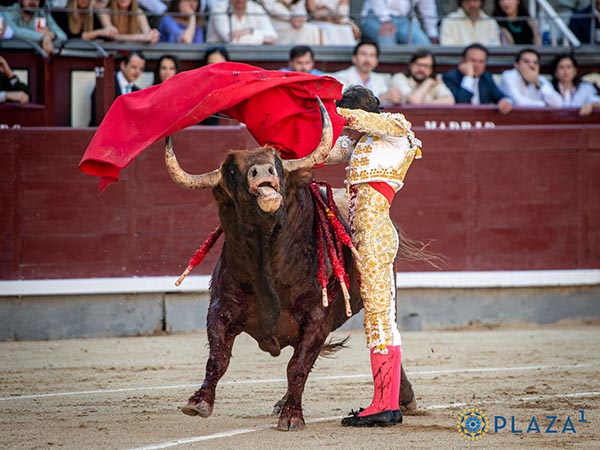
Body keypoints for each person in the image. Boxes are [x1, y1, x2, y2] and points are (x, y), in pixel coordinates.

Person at [325, 85, 422, 427]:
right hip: (363, 236)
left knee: (381, 320)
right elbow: (322, 151)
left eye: (351, 117)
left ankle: (385, 406)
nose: (349, 130)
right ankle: (386, 403)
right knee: (379, 320)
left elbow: (357, 121)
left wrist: (329, 110)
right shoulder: (358, 142)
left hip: (376, 237)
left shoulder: (395, 129)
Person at [442, 43, 512, 114]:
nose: (477, 65)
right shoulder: (450, 77)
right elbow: (461, 104)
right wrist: (469, 77)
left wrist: (505, 102)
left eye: (481, 62)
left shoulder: (486, 77)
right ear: (463, 60)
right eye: (473, 60)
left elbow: (500, 97)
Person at [328, 40, 401, 106]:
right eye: (363, 54)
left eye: (372, 55)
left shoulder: (380, 80)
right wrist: (381, 98)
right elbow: (348, 104)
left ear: (376, 61)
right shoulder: (340, 78)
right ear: (354, 58)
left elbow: (389, 101)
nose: (368, 59)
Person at [89, 50, 145, 126]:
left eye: (141, 69)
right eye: (134, 67)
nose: (137, 71)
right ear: (123, 65)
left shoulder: (138, 91)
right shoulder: (106, 84)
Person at [390, 50, 455, 105]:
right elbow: (414, 102)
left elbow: (450, 101)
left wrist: (423, 103)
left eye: (426, 66)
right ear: (411, 65)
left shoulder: (435, 81)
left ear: (432, 70)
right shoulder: (400, 78)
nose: (422, 69)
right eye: (419, 64)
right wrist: (427, 83)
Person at [359, 0, 439, 45]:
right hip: (375, 16)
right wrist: (385, 20)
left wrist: (433, 33)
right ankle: (388, 73)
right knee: (387, 41)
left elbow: (428, 9)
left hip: (403, 18)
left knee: (423, 44)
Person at [2, 0, 67, 53]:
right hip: (14, 54)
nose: (33, 1)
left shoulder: (42, 13)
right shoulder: (9, 11)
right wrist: (42, 37)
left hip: (36, 58)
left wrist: (53, 35)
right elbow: (13, 31)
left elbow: (63, 37)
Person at [206, 0, 278, 44]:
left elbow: (273, 37)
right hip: (221, 56)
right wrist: (260, 38)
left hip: (250, 55)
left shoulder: (256, 8)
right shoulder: (219, 9)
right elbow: (229, 39)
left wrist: (251, 31)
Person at [96, 0, 160, 44]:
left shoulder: (138, 12)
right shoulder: (104, 12)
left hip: (133, 52)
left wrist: (153, 35)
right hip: (110, 52)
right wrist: (141, 37)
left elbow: (147, 34)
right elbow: (113, 36)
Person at [53, 0, 117, 40]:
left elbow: (104, 36)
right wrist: (98, 33)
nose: (84, 0)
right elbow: (71, 37)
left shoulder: (92, 15)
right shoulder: (61, 14)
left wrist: (109, 32)